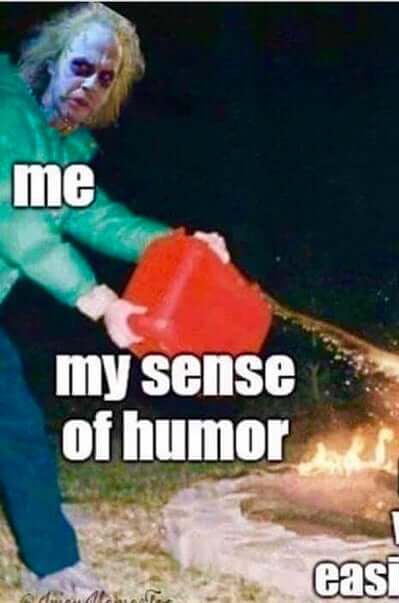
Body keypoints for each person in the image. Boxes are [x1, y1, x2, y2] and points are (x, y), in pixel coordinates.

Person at [0, 3, 228, 595]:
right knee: (15, 424)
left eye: (106, 77)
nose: (90, 85)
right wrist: (99, 301)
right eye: (81, 66)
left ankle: (46, 544)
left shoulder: (59, 148)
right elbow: (17, 224)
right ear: (51, 61)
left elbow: (98, 218)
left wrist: (183, 247)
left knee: (15, 425)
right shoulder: (6, 111)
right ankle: (52, 561)